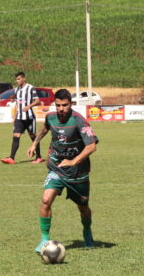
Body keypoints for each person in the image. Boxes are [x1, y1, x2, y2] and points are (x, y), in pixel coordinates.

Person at [27, 89, 98, 253]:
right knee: (46, 200)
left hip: (77, 173)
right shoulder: (50, 117)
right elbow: (45, 128)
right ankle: (44, 239)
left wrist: (73, 161)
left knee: (83, 208)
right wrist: (34, 144)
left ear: (71, 104)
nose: (61, 109)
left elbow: (91, 146)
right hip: (56, 168)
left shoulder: (79, 121)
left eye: (65, 105)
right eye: (58, 105)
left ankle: (87, 231)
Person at [1, 71, 43, 164]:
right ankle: (11, 158)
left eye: (19, 79)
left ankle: (39, 157)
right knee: (16, 136)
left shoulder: (31, 88)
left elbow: (38, 101)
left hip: (29, 118)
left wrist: (29, 106)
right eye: (16, 79)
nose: (17, 81)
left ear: (24, 78)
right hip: (19, 118)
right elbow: (17, 104)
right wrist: (15, 116)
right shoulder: (16, 90)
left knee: (33, 136)